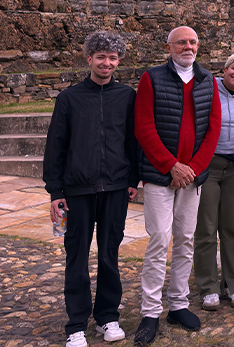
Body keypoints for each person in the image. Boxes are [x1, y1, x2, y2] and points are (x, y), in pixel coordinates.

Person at [43, 31, 138, 347]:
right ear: (89, 59)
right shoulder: (69, 98)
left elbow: (133, 142)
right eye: (101, 57)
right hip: (77, 192)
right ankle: (76, 325)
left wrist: (132, 181)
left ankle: (108, 317)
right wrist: (56, 192)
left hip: (115, 189)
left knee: (110, 256)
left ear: (118, 61)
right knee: (77, 257)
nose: (107, 63)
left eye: (112, 58)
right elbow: (56, 146)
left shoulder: (127, 96)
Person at [133, 26, 221, 346]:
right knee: (159, 240)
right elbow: (143, 127)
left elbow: (213, 131)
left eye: (193, 41)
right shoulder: (152, 78)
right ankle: (150, 312)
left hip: (192, 178)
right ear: (168, 46)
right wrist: (171, 166)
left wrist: (193, 169)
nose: (188, 46)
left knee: (185, 239)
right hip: (160, 176)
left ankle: (178, 304)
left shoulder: (209, 80)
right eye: (181, 41)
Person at [194, 52, 234, 312]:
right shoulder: (209, 90)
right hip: (209, 166)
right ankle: (208, 288)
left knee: (231, 228)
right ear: (225, 68)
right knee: (206, 229)